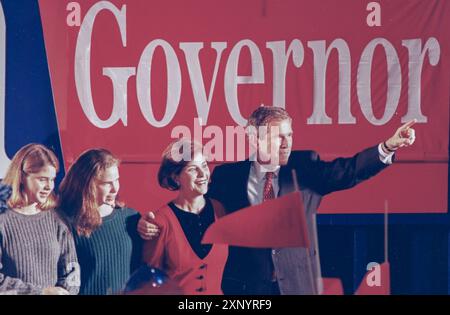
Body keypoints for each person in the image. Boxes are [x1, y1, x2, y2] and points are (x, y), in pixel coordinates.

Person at [138, 106, 417, 295]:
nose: (287, 143)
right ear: (254, 138)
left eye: (290, 135)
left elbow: (349, 171)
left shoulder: (306, 167)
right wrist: (148, 224)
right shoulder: (226, 177)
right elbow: (195, 212)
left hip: (297, 285)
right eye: (278, 136)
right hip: (245, 290)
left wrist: (388, 146)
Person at [142, 139, 228, 295]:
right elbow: (150, 282)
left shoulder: (220, 210)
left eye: (204, 165)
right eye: (193, 169)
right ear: (176, 177)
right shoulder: (160, 221)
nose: (203, 174)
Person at [58, 148, 142, 295]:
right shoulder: (66, 223)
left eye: (117, 180)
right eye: (106, 183)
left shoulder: (131, 218)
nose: (115, 188)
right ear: (86, 185)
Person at [0, 143, 80, 295]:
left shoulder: (58, 219)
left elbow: (71, 273)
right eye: (42, 179)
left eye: (52, 179)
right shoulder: (3, 220)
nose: (49, 186)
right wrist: (40, 292)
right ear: (22, 177)